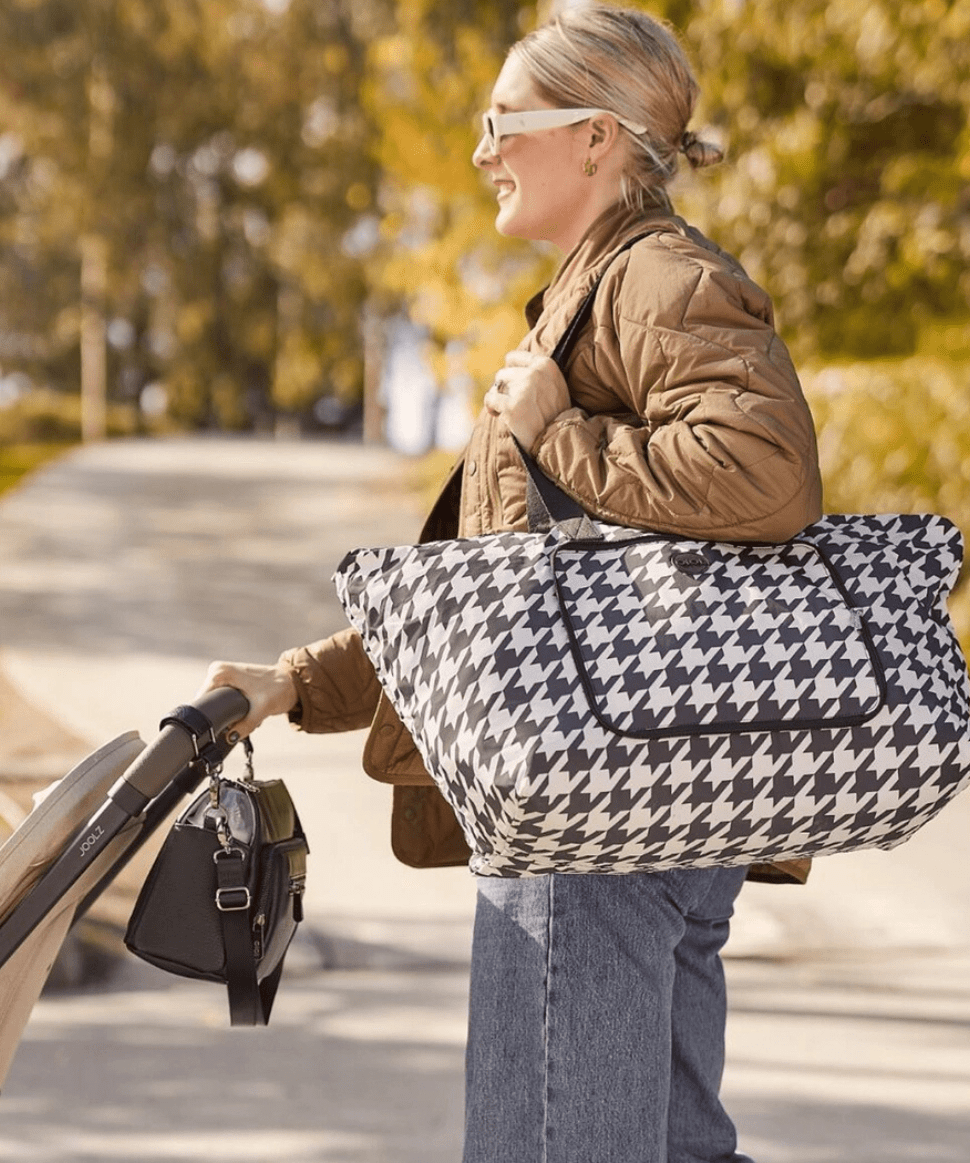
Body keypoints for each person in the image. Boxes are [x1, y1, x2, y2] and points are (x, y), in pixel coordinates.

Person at [202, 5, 822, 1160]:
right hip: (635, 798)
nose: (483, 149)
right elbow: (506, 601)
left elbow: (767, 476)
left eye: (503, 122)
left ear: (595, 137)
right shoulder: (598, 293)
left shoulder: (653, 277)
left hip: (592, 826)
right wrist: (289, 685)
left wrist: (557, 435)